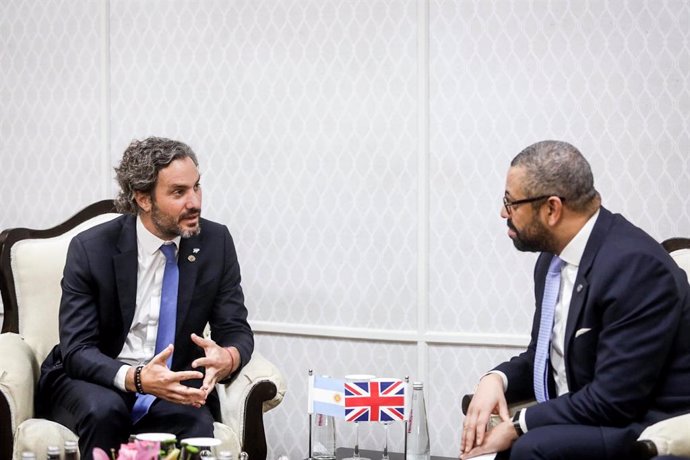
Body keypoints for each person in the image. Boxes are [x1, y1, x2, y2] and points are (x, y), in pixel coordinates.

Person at [460, 140, 690, 459]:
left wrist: (518, 424)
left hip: (643, 427)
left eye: (511, 203)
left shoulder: (635, 267)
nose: (503, 213)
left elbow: (615, 400)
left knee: (528, 448)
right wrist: (495, 379)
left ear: (552, 209)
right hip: (588, 416)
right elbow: (543, 358)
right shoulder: (553, 261)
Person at [37, 137, 254, 458]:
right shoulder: (92, 248)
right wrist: (138, 378)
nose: (194, 202)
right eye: (179, 192)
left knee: (193, 422)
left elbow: (235, 328)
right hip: (98, 377)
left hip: (172, 383)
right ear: (143, 199)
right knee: (104, 411)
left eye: (197, 187)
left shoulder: (215, 242)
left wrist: (230, 357)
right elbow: (78, 350)